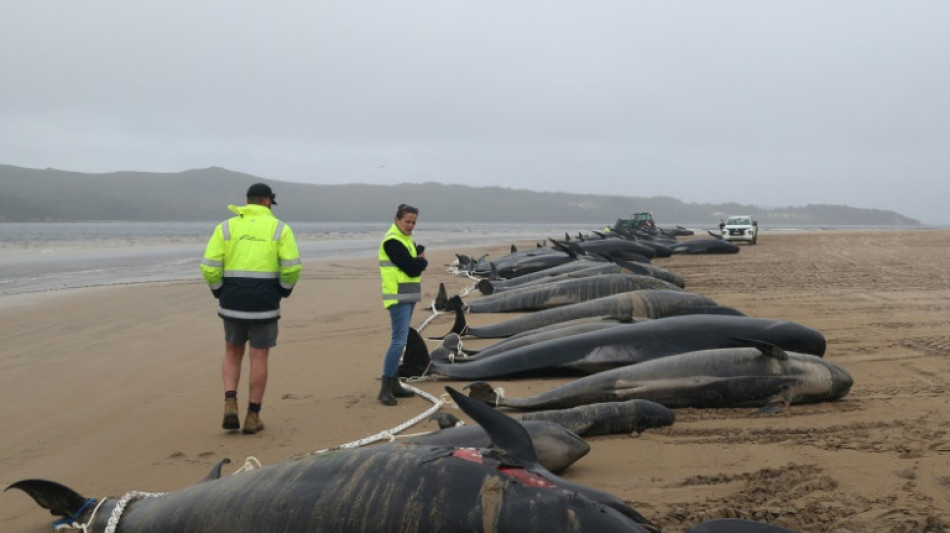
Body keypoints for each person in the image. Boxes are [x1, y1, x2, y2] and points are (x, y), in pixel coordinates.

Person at [200, 183, 301, 433]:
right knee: (259, 357)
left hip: (232, 301)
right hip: (265, 303)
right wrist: (283, 291)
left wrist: (218, 291)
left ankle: (230, 402)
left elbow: (209, 266)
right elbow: (291, 267)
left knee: (233, 352)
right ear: (267, 201)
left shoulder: (226, 227)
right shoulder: (280, 228)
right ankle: (252, 416)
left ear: (247, 201)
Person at [377, 204, 428, 405]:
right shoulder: (392, 241)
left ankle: (395, 384)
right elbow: (412, 268)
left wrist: (419, 255)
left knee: (402, 339)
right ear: (397, 220)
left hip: (407, 296)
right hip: (397, 298)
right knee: (398, 340)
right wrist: (422, 262)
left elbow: (414, 256)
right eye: (407, 221)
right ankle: (385, 387)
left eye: (414, 222)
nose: (410, 225)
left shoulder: (405, 239)